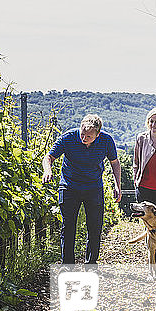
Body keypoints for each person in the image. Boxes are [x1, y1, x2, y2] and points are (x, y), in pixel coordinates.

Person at [42, 114, 122, 265]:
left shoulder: (106, 140)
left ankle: (91, 263)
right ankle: (68, 264)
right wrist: (48, 170)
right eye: (82, 134)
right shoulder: (68, 138)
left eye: (89, 136)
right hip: (69, 186)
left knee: (95, 226)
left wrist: (118, 185)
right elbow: (48, 158)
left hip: (93, 188)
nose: (84, 138)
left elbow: (115, 163)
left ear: (97, 135)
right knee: (68, 226)